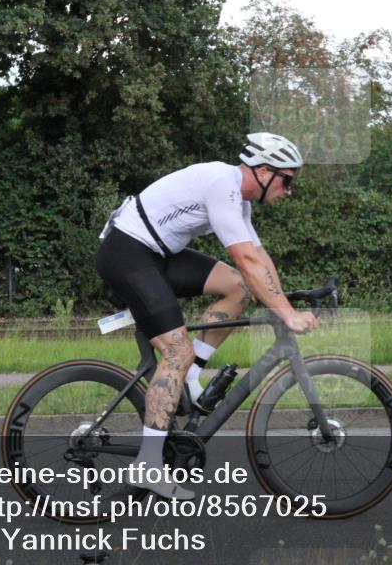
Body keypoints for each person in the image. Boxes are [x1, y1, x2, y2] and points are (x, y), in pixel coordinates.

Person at [96, 132, 319, 500]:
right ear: (264, 171)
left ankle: (193, 375)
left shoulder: (238, 200)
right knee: (175, 352)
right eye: (287, 179)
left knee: (238, 288)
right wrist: (287, 315)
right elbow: (246, 261)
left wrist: (286, 306)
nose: (289, 190)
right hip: (128, 253)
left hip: (156, 254)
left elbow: (261, 262)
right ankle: (148, 466)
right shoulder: (222, 184)